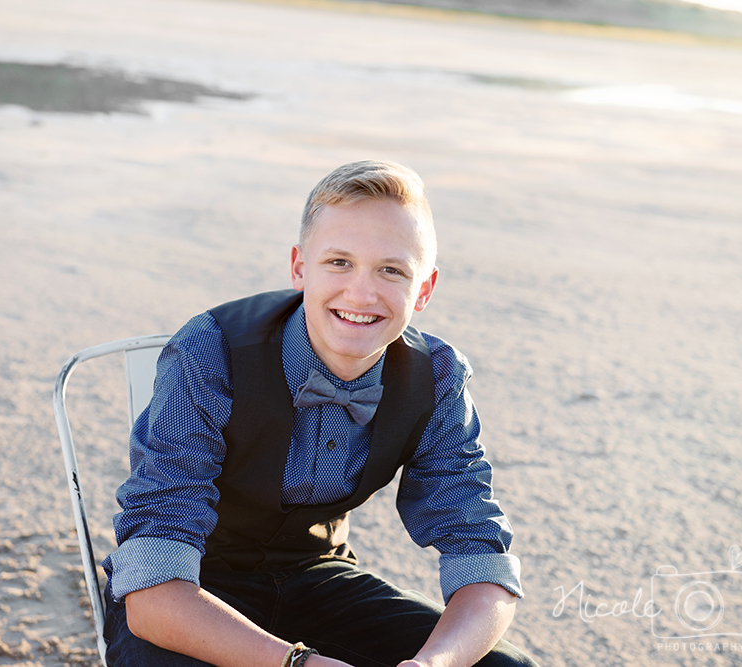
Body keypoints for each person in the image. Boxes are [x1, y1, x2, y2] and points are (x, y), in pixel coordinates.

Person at [101, 160, 538, 667]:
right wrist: (297, 664)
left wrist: (433, 664)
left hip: (317, 576)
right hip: (192, 585)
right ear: (299, 267)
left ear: (424, 290)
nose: (361, 292)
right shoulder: (209, 352)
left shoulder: (436, 377)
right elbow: (152, 597)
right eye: (339, 262)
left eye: (391, 270)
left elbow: (483, 560)